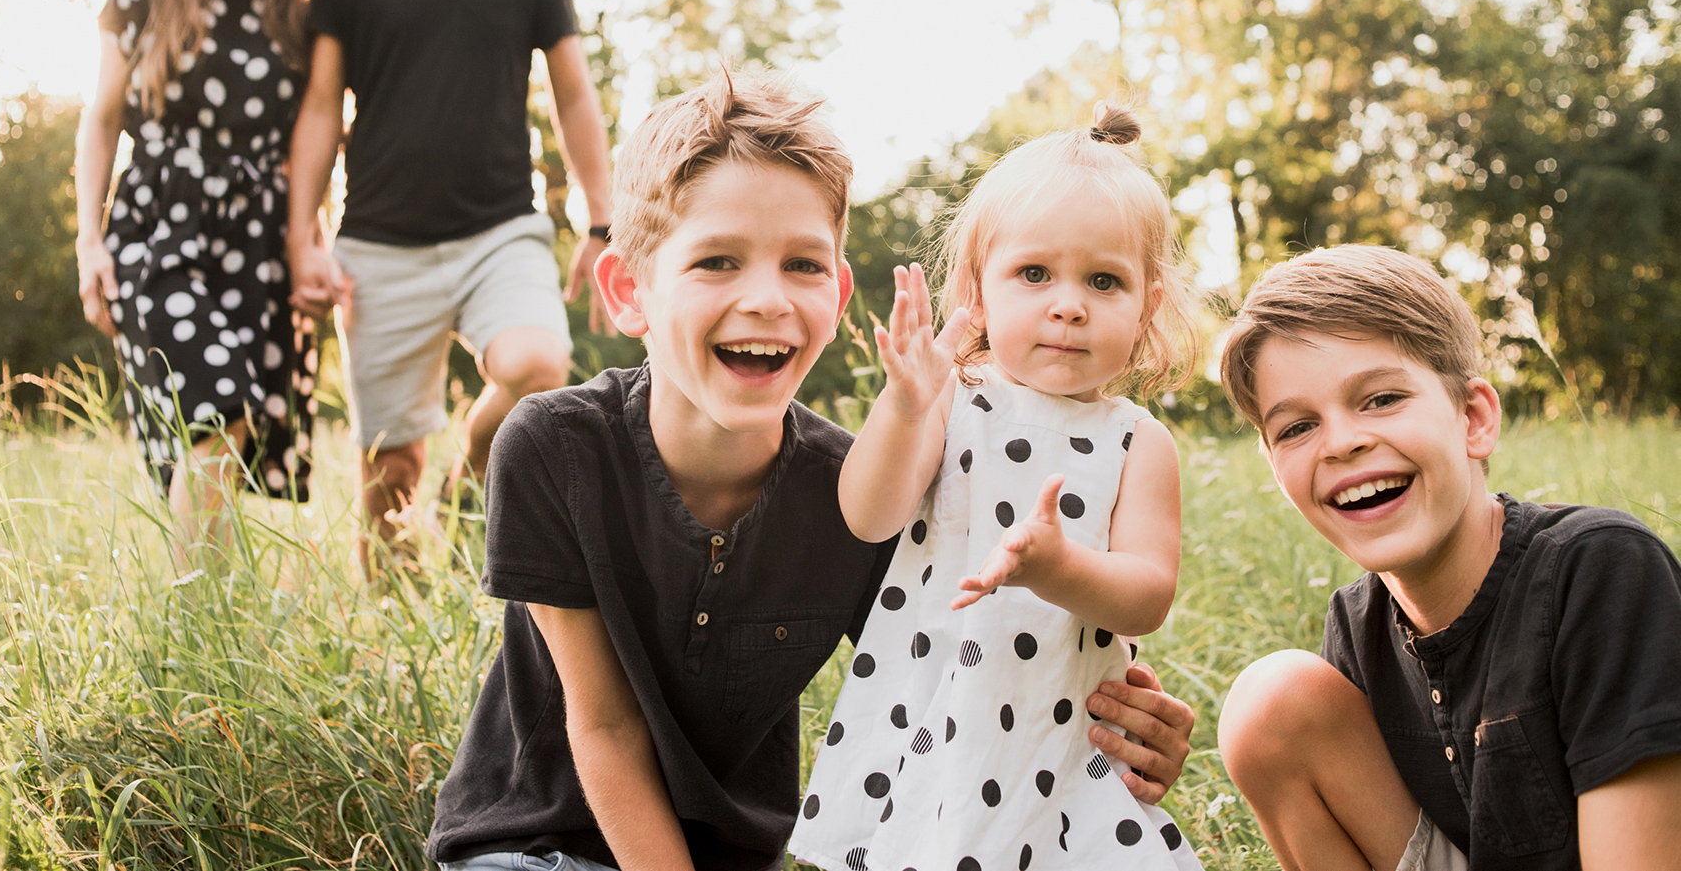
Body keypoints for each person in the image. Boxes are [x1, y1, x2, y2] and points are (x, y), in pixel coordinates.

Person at [423, 74, 1198, 871]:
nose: (766, 298)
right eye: (717, 260)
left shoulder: (855, 489)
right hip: (530, 845)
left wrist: (1131, 714)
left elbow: (961, 636)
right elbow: (608, 729)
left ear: (839, 293)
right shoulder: (554, 448)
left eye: (803, 264)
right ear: (629, 291)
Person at [790, 104, 1204, 870]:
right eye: (1035, 273)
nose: (1068, 302)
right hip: (934, 717)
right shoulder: (954, 398)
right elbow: (868, 514)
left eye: (1104, 280)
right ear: (978, 290)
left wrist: (1058, 568)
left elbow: (1147, 592)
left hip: (1064, 737)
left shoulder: (1138, 441)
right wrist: (904, 406)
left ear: (1146, 306)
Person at [1213, 244, 1681, 871]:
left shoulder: (1598, 569)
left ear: (1473, 418)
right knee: (1269, 699)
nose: (1344, 442)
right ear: (1276, 469)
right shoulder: (1357, 632)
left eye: (1380, 399)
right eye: (1297, 427)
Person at [286, 0, 613, 571]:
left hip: (499, 226)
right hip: (378, 243)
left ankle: (467, 487)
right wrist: (305, 234)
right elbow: (322, 107)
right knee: (388, 468)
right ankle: (396, 639)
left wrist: (601, 219)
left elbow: (573, 96)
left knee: (539, 366)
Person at [75, 0, 318, 560]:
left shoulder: (294, 17)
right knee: (216, 410)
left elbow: (308, 148)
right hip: (157, 230)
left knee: (232, 437)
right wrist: (89, 241)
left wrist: (312, 247)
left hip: (257, 241)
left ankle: (209, 621)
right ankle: (195, 621)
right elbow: (101, 120)